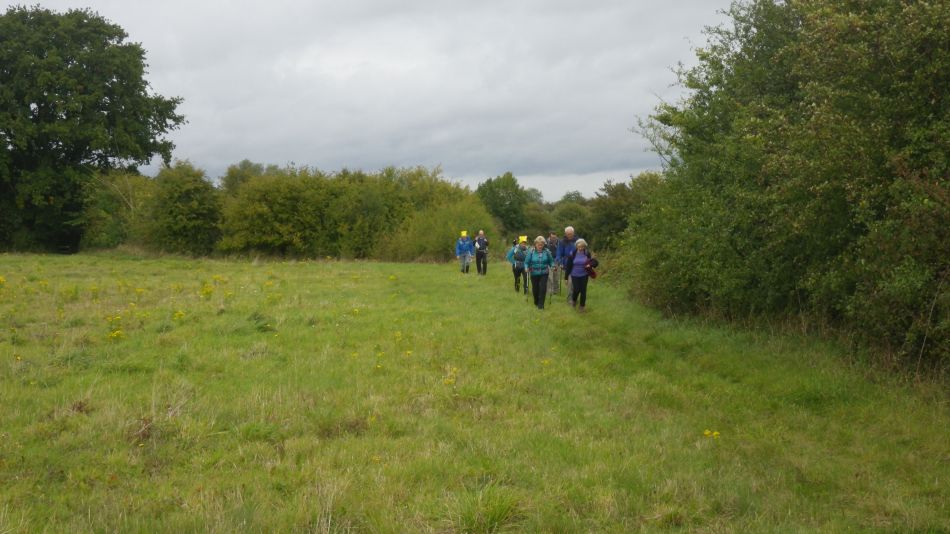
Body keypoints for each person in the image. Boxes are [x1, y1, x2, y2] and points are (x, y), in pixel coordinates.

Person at [525, 235, 555, 310]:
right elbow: (526, 262)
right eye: (538, 244)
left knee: (543, 288)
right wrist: (526, 268)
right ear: (535, 244)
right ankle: (536, 301)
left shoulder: (547, 252)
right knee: (535, 289)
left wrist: (553, 266)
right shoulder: (531, 252)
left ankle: (541, 305)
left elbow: (551, 261)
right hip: (534, 272)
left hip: (544, 272)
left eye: (541, 244)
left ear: (544, 244)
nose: (540, 246)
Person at [568, 239, 597, 312]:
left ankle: (582, 306)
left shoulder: (587, 253)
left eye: (582, 247)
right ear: (576, 246)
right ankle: (574, 301)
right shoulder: (572, 253)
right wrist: (566, 277)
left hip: (584, 274)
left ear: (584, 246)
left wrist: (589, 264)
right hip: (574, 274)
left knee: (583, 291)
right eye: (579, 246)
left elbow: (593, 262)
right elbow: (569, 265)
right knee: (576, 289)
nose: (581, 248)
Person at [556, 226, 581, 305]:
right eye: (567, 234)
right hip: (567, 265)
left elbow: (584, 251)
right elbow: (559, 253)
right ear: (565, 234)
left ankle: (575, 298)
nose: (569, 235)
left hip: (578, 264)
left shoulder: (578, 241)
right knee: (570, 282)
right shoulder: (562, 242)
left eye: (570, 234)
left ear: (573, 233)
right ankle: (570, 300)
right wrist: (560, 261)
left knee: (577, 284)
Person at [546, 231, 560, 295]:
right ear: (550, 236)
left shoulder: (559, 242)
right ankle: (549, 291)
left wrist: (560, 260)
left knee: (556, 276)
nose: (553, 238)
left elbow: (560, 252)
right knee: (549, 276)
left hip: (556, 261)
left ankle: (556, 291)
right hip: (548, 261)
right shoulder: (546, 242)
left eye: (554, 237)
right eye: (552, 237)